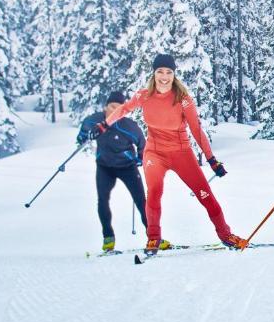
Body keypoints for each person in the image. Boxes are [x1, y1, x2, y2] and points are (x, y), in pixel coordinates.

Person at [89, 54, 246, 254]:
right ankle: (153, 239)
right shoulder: (144, 95)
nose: (164, 76)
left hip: (181, 152)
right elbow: (123, 110)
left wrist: (211, 160)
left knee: (205, 194)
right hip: (154, 152)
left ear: (174, 75)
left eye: (169, 72)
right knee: (154, 193)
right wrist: (104, 125)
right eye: (160, 72)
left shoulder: (183, 100)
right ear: (154, 74)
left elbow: (197, 130)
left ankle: (226, 235)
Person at [77, 91, 148, 252]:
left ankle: (154, 236)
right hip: (104, 166)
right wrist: (85, 137)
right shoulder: (94, 121)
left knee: (141, 201)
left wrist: (140, 158)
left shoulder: (129, 126)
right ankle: (108, 238)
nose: (115, 111)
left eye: (119, 108)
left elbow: (142, 143)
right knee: (102, 200)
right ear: (105, 107)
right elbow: (82, 135)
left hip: (127, 167)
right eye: (112, 107)